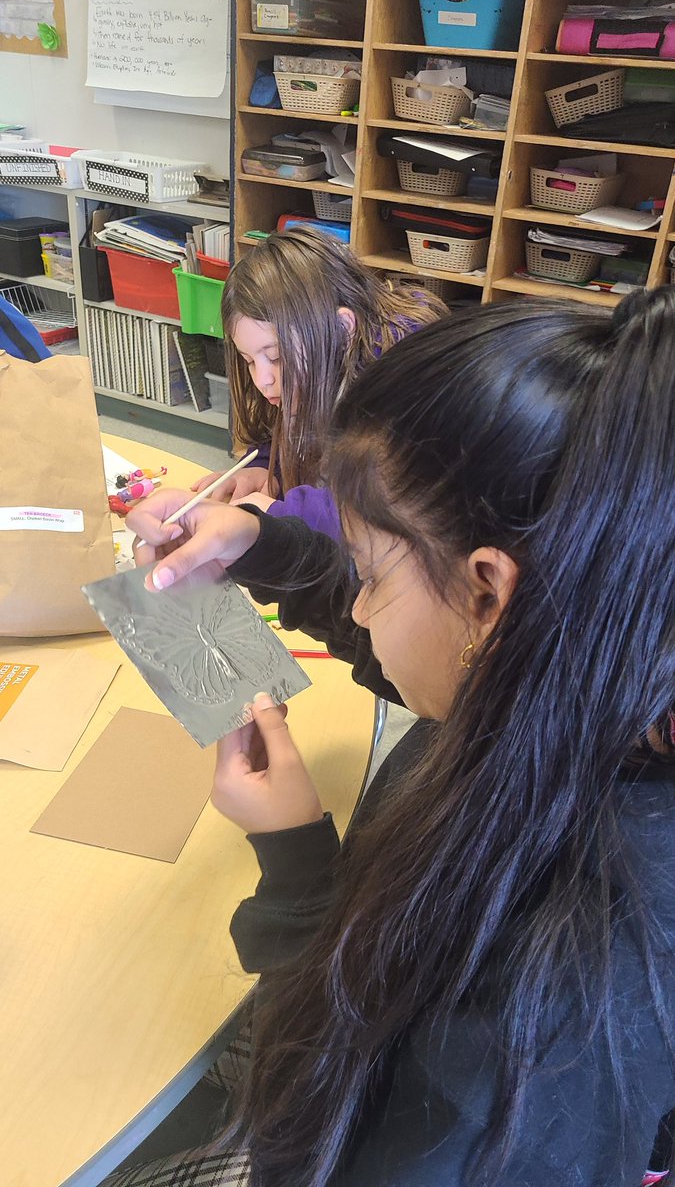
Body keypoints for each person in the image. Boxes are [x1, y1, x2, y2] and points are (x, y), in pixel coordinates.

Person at [116, 290, 674, 1187]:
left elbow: (319, 1128)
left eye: (369, 572)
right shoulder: (590, 682)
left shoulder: (540, 1017)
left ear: (489, 594)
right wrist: (256, 544)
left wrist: (296, 866)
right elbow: (417, 651)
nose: (359, 609)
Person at [191, 227, 448, 539]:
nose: (262, 379)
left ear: (341, 331)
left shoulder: (404, 383)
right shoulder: (316, 363)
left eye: (275, 357)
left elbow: (382, 511)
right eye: (248, 360)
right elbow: (292, 433)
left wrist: (276, 516)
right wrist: (265, 469)